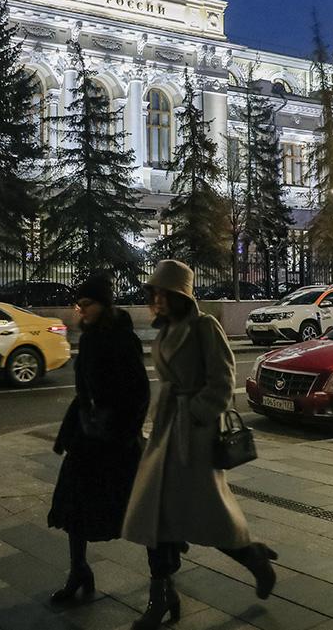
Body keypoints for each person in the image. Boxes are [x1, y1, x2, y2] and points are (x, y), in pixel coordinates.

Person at [121, 260, 277, 629]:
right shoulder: (164, 331)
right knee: (155, 518)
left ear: (180, 295)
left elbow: (223, 381)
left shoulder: (204, 326)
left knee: (208, 516)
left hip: (193, 437)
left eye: (163, 292)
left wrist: (193, 414)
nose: (156, 299)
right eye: (153, 292)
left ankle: (254, 558)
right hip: (165, 436)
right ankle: (162, 597)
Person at [48, 274, 150, 604]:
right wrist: (82, 419)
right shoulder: (90, 337)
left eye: (86, 304)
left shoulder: (122, 338)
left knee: (139, 510)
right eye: (79, 305)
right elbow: (83, 387)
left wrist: (124, 431)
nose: (81, 311)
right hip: (89, 436)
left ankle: (163, 582)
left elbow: (140, 393)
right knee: (74, 505)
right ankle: (78, 570)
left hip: (118, 439)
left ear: (103, 303)